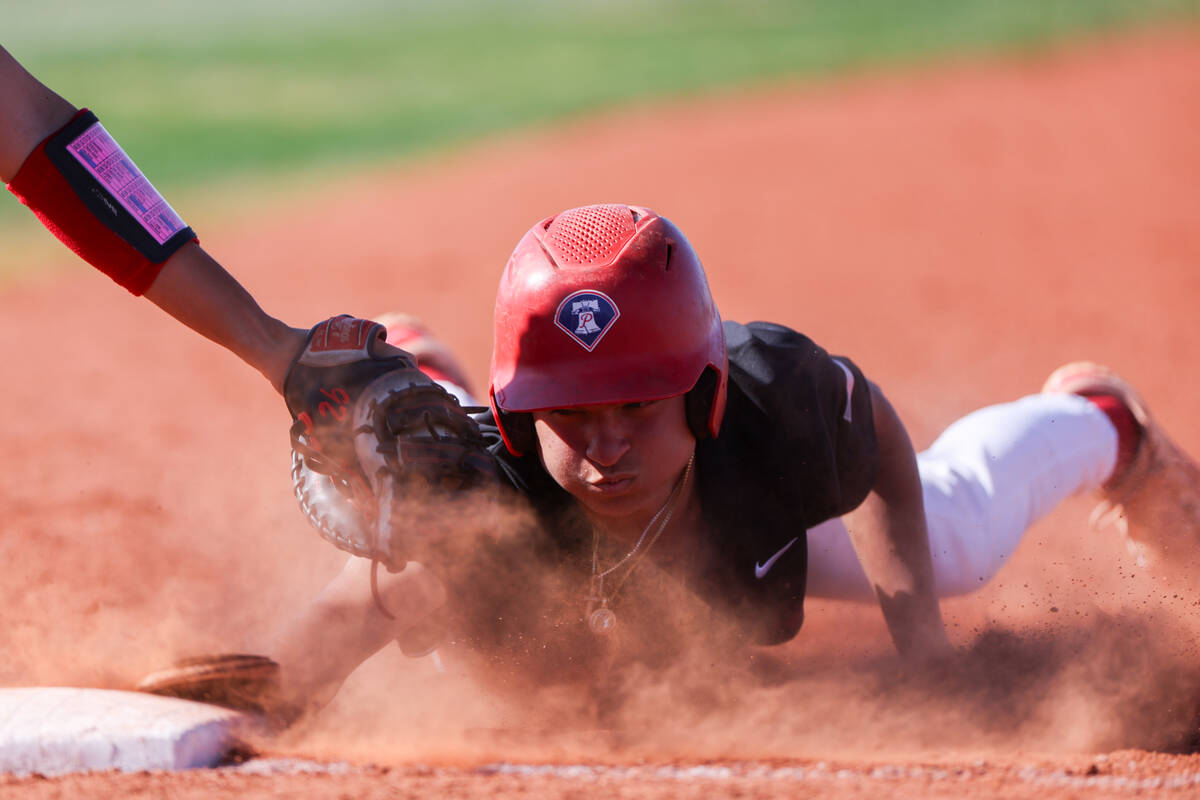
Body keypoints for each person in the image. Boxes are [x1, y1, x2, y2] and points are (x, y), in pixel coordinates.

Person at [4, 45, 1199, 718]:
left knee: (963, 537)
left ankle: (1101, 420)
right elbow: (352, 611)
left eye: (638, 404)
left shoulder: (773, 408)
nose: (607, 438)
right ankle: (419, 364)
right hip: (580, 514)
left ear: (703, 396)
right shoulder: (488, 493)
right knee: (457, 559)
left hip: (735, 520)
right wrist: (277, 687)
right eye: (571, 414)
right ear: (521, 425)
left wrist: (925, 647)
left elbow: (879, 440)